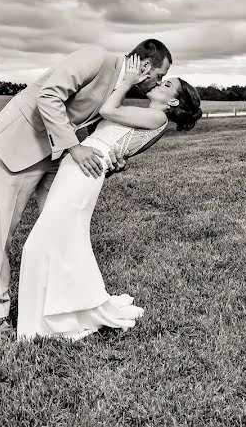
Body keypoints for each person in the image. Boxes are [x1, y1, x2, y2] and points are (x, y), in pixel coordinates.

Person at [0, 40, 173, 336]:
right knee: (3, 231)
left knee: (58, 230)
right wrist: (74, 148)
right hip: (23, 143)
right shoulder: (96, 58)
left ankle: (53, 308)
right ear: (145, 66)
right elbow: (48, 97)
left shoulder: (119, 88)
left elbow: (83, 120)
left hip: (60, 153)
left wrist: (107, 159)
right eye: (159, 76)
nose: (157, 82)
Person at [16, 54, 202, 341]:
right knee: (62, 241)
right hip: (80, 163)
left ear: (174, 101)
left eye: (166, 84)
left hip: (85, 170)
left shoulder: (158, 116)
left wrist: (126, 81)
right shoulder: (150, 115)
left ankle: (44, 321)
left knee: (41, 243)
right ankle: (63, 311)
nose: (159, 83)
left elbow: (107, 109)